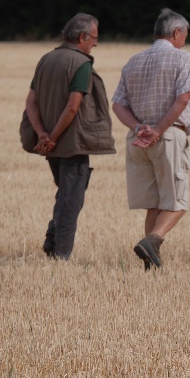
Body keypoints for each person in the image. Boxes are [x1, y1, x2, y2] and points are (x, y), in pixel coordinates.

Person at [21, 13, 116, 260]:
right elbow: (74, 106)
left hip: (49, 144)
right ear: (82, 37)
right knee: (71, 200)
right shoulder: (81, 63)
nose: (95, 43)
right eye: (94, 38)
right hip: (71, 143)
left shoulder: (46, 59)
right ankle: (61, 254)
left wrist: (42, 134)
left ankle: (52, 239)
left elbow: (31, 102)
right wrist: (53, 136)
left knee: (65, 193)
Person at [112, 7, 190, 270]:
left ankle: (150, 261)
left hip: (136, 140)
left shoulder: (133, 60)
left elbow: (117, 105)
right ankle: (153, 241)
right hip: (166, 137)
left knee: (154, 204)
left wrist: (139, 128)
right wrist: (157, 130)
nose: (185, 40)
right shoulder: (182, 58)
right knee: (177, 202)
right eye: (185, 35)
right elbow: (183, 98)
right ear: (176, 32)